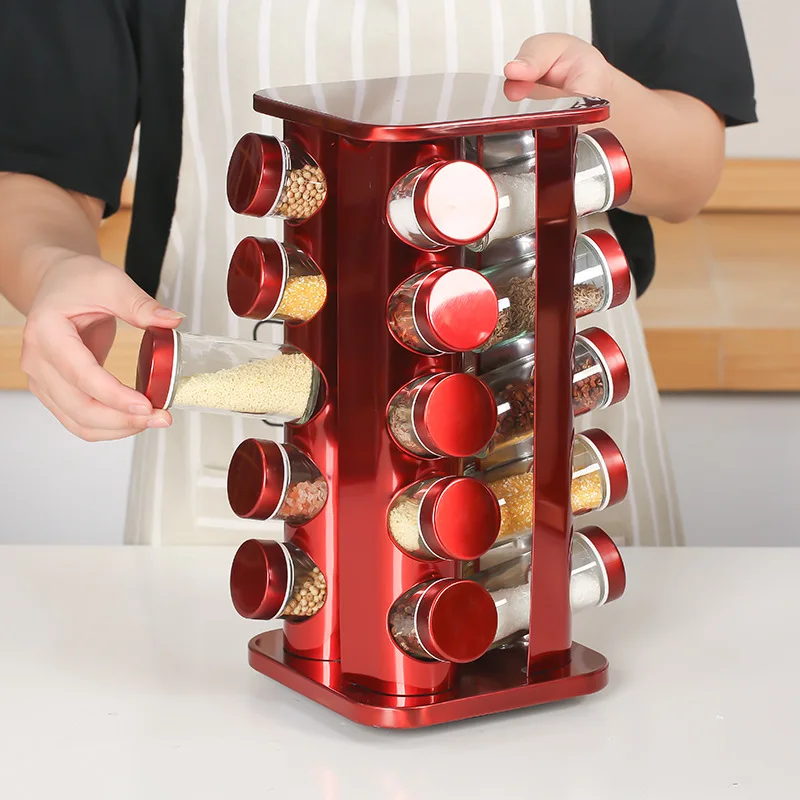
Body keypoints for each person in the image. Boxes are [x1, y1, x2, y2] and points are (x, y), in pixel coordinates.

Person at [0, 1, 755, 546]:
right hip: (235, 491)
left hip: (554, 464)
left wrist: (598, 108)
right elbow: (37, 171)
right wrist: (53, 267)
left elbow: (690, 174)